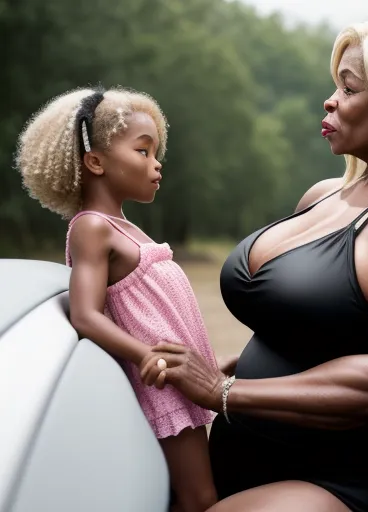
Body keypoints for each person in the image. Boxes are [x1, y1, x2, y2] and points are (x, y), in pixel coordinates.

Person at [143, 19, 368, 512]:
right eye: (335, 86)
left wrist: (223, 390)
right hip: (246, 456)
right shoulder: (324, 194)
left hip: (340, 481)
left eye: (349, 88)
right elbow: (311, 328)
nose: (330, 100)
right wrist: (218, 370)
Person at [16, 86, 218, 512]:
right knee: (198, 499)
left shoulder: (126, 228)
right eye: (143, 151)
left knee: (191, 493)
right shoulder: (92, 227)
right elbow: (86, 315)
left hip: (181, 379)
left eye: (156, 152)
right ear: (96, 162)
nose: (156, 163)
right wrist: (147, 355)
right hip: (161, 383)